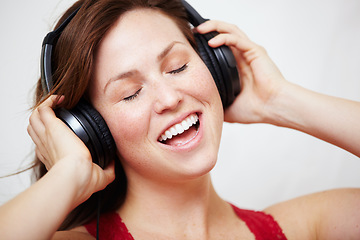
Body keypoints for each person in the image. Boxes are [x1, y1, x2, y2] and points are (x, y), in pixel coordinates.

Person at [1, 0, 359, 239]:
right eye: (130, 93)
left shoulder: (304, 227)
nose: (170, 99)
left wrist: (280, 101)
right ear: (89, 130)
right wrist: (71, 172)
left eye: (178, 67)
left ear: (216, 67)